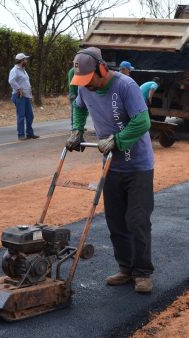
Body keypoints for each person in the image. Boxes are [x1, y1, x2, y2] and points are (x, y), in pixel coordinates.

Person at [66, 47, 155, 294]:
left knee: (137, 220)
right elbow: (79, 106)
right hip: (111, 165)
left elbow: (142, 121)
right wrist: (77, 130)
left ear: (101, 69)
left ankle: (143, 273)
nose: (86, 86)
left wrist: (116, 140)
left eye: (89, 79)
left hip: (138, 165)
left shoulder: (126, 86)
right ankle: (126, 269)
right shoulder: (85, 87)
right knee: (115, 220)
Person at [8, 52, 39, 141]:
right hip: (19, 96)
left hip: (26, 96)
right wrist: (19, 89)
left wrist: (30, 95)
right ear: (21, 61)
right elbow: (11, 81)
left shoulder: (23, 70)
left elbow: (26, 83)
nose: (26, 61)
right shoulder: (14, 70)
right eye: (25, 59)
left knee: (30, 115)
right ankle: (21, 135)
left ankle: (30, 133)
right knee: (21, 116)